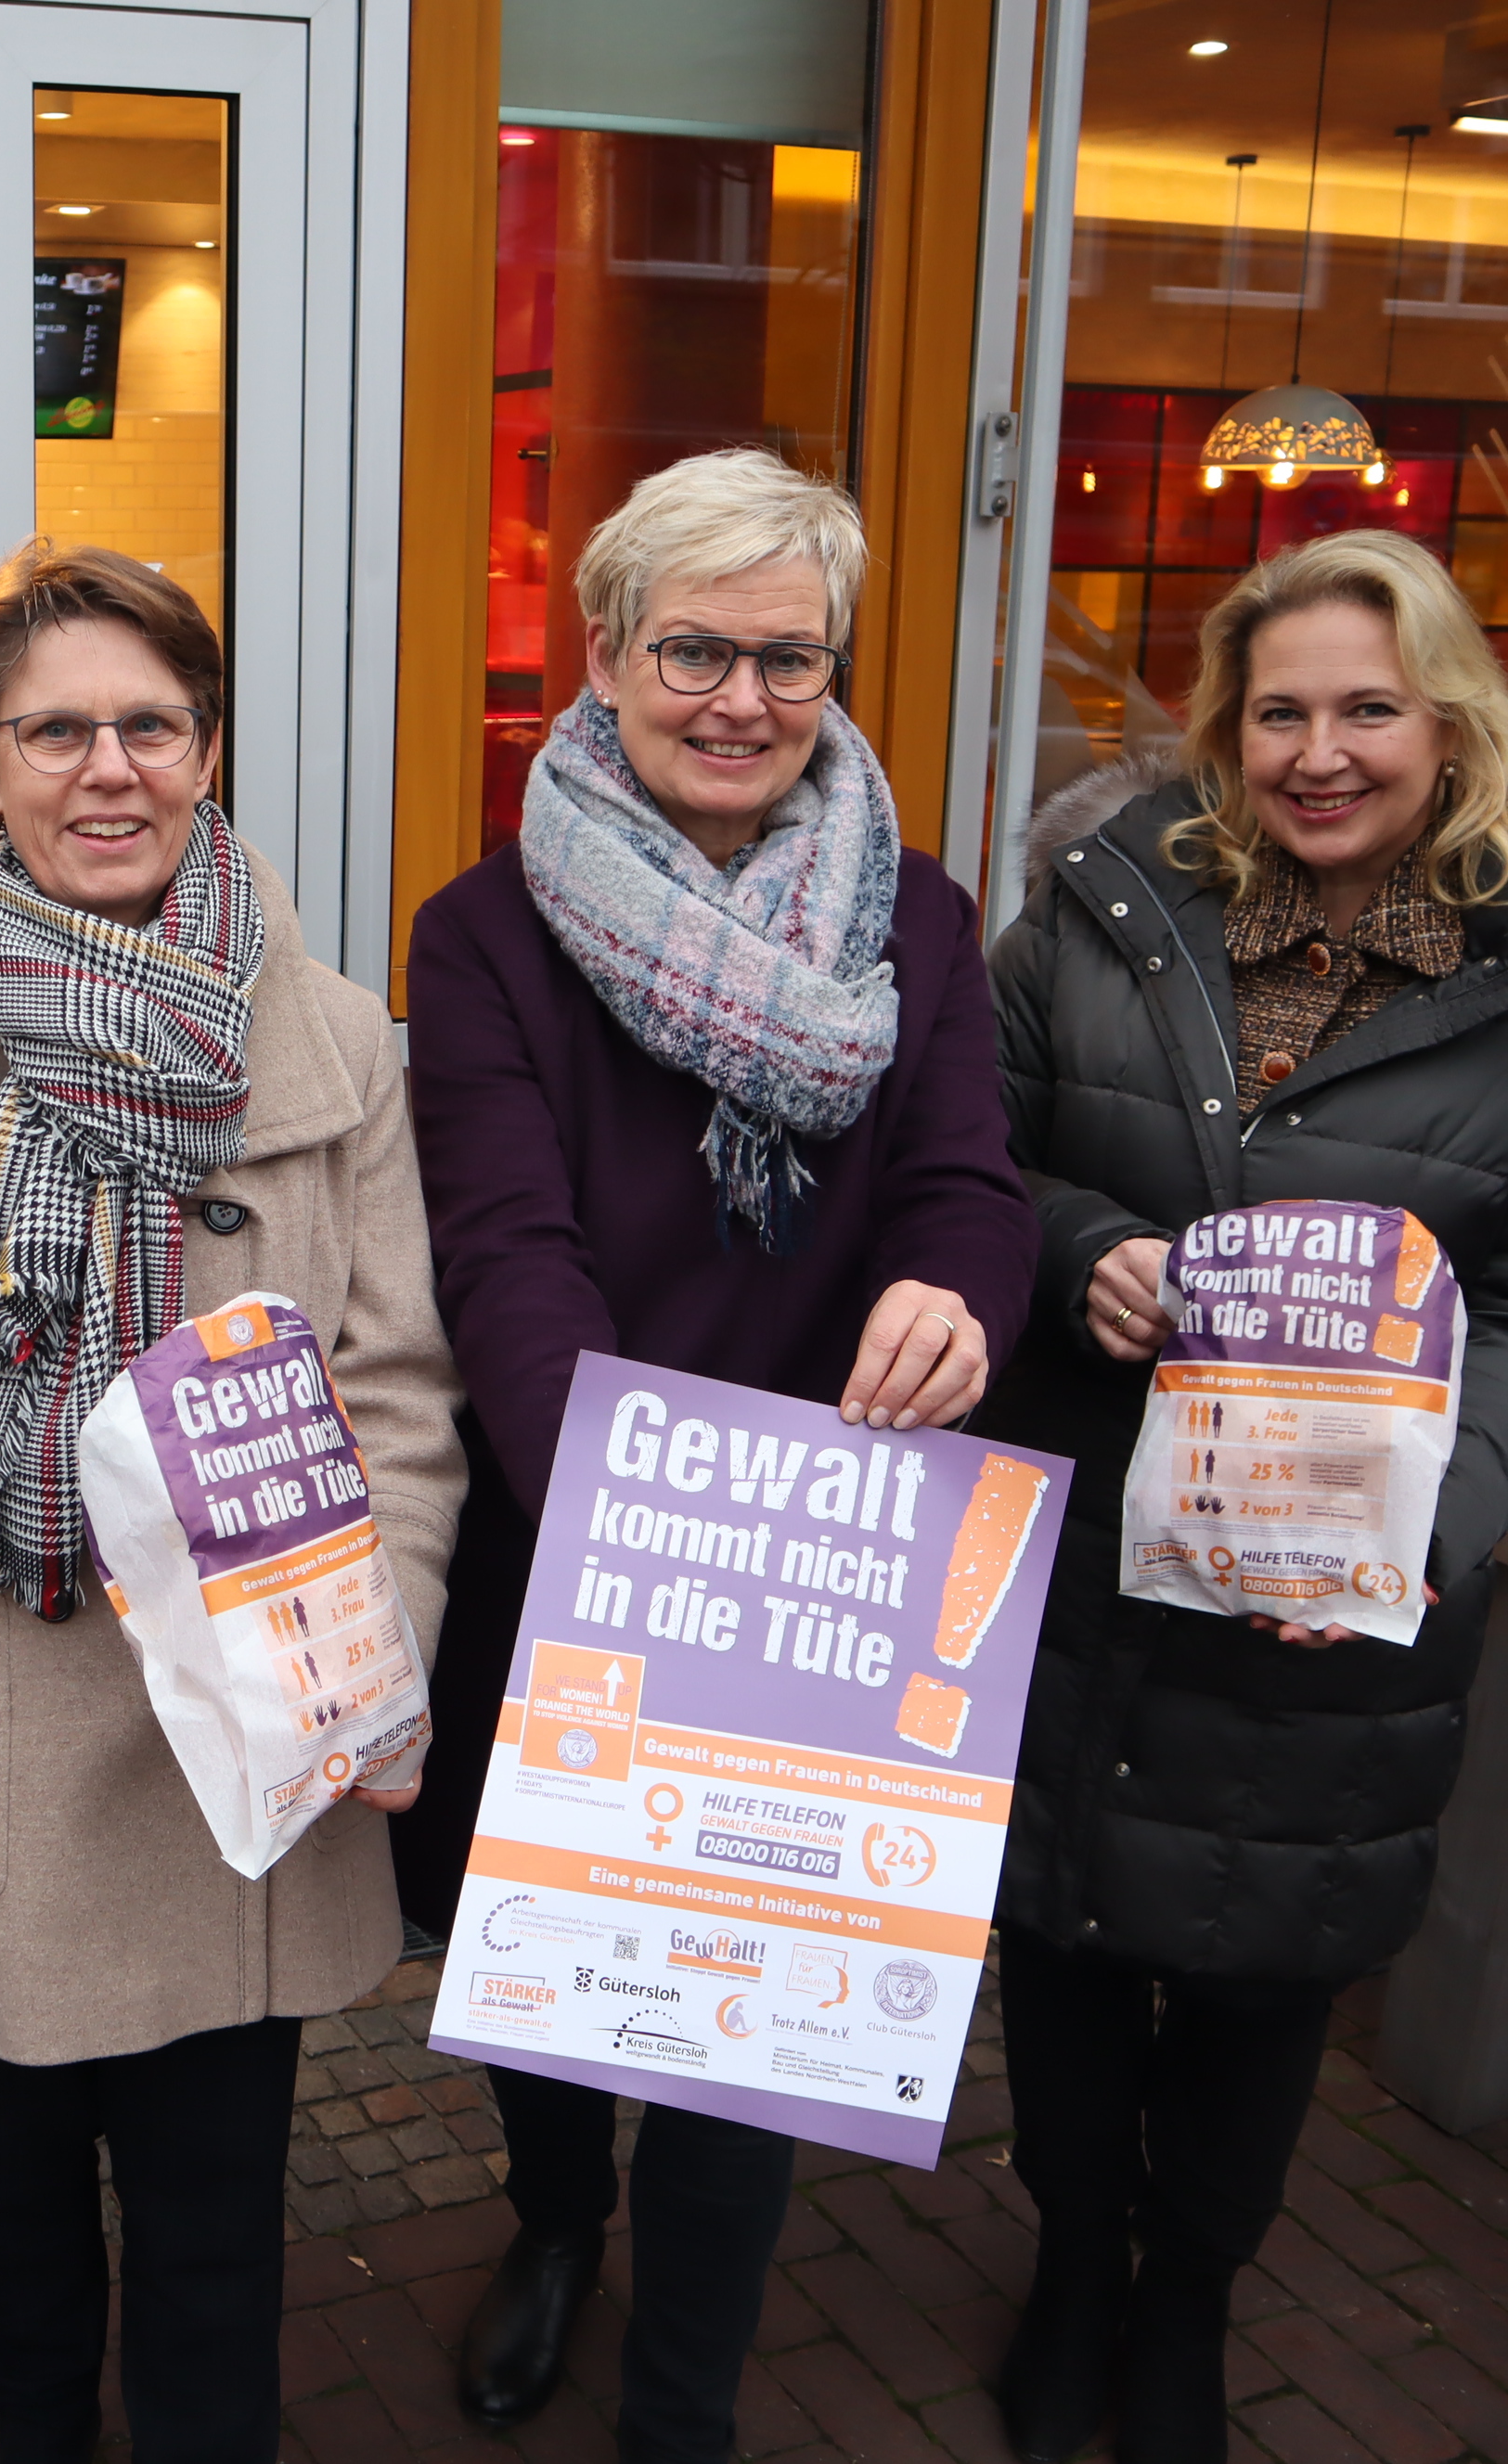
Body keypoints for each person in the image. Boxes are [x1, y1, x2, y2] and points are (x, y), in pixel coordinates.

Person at [985, 526, 1508, 2464]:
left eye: (1369, 709)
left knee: (1259, 1980)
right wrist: (1077, 1244)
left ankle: (1186, 2308)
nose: (1321, 752)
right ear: (1226, 734)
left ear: (1453, 720)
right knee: (1063, 1951)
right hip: (1075, 1551)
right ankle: (1074, 2265)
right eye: (1281, 712)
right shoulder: (1104, 906)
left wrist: (1421, 1529)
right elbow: (965, 1161)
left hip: (1330, 1599)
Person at [0, 540, 465, 2463]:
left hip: (254, 1741)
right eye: (55, 729)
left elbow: (399, 1385)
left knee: (226, 2232)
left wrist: (364, 1651)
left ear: (209, 747)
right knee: (19, 2240)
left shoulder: (335, 1035)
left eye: (150, 723)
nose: (108, 768)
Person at [390, 447, 1038, 2458]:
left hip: (832, 1553)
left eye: (789, 657)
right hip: (583, 1520)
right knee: (562, 1958)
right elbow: (502, 1242)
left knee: (765, 2008)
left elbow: (970, 1183)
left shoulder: (917, 920)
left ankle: (685, 2391)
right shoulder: (487, 931)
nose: (741, 698)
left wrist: (960, 1295)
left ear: (835, 671)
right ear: (606, 652)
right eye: (695, 649)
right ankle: (556, 2221)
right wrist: (614, 1491)